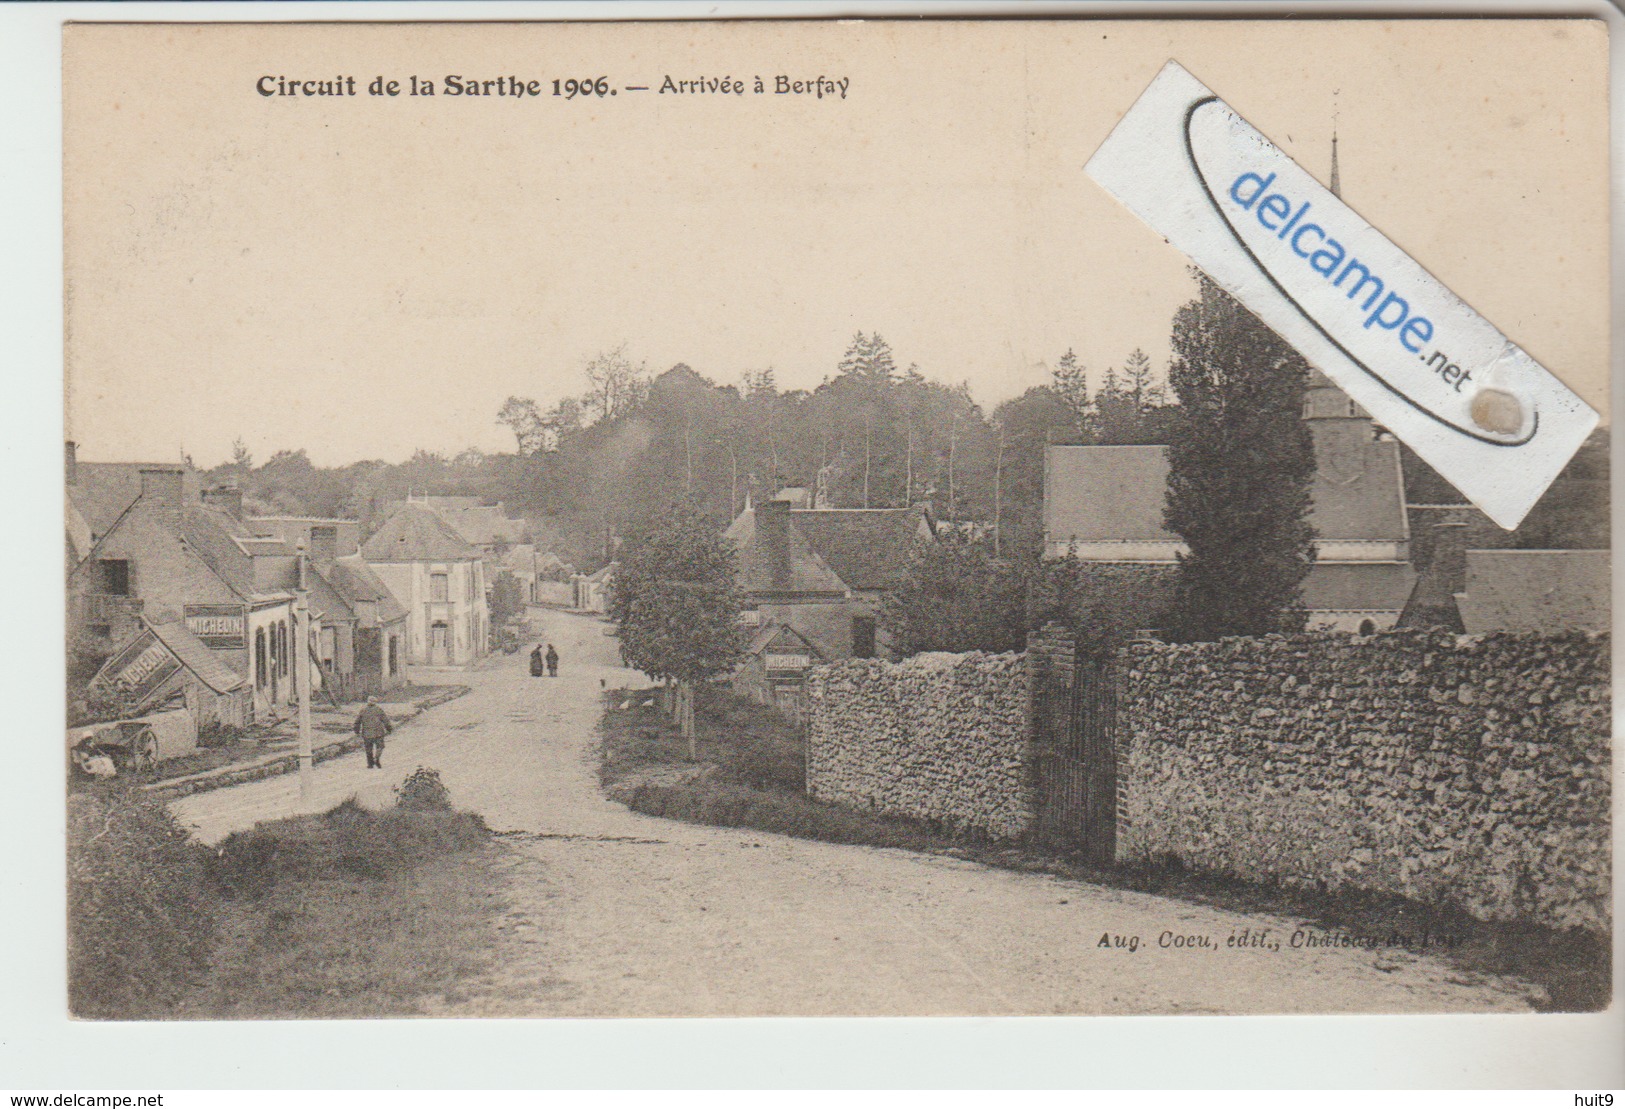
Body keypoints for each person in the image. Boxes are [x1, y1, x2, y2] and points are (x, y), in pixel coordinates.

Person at [354, 695, 393, 769]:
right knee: (380, 746)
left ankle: (370, 764)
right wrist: (389, 729)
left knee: (368, 748)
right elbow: (385, 720)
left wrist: (357, 731)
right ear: (375, 702)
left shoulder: (363, 710)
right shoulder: (379, 710)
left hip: (367, 733)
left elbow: (357, 722)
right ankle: (376, 758)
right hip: (378, 733)